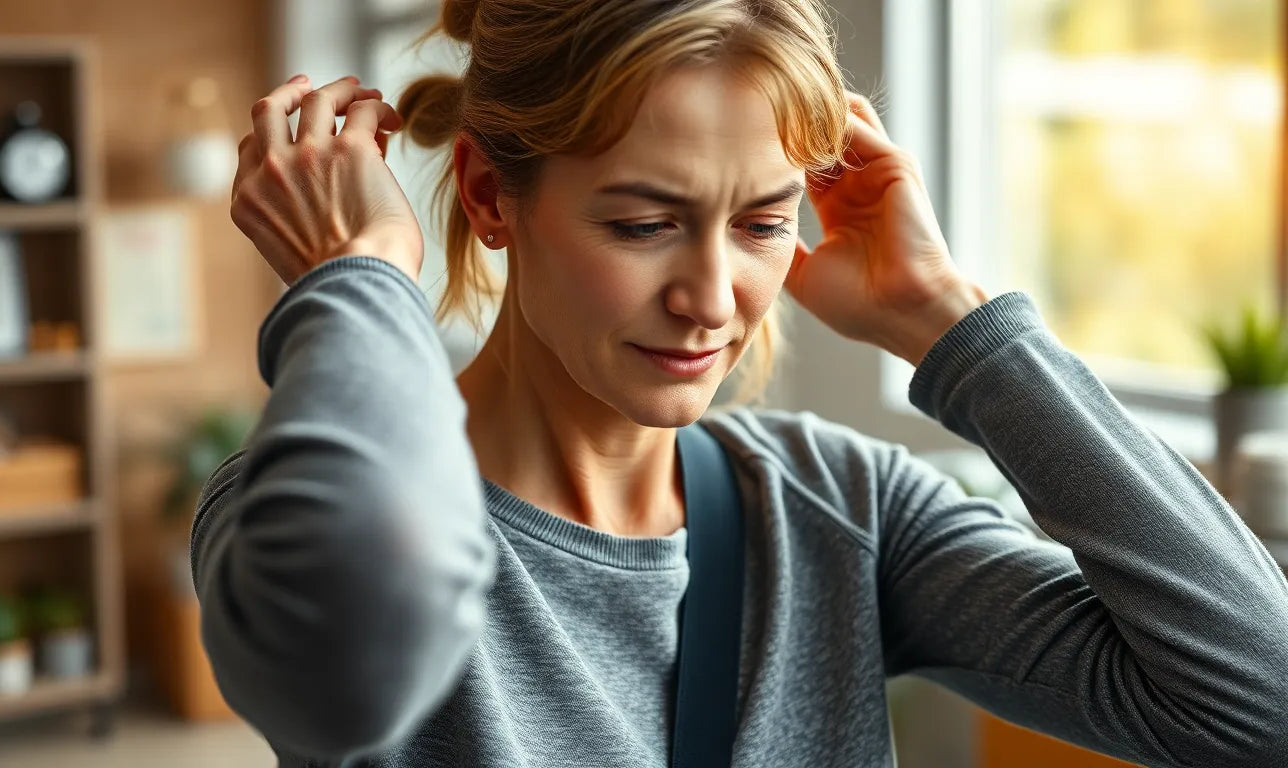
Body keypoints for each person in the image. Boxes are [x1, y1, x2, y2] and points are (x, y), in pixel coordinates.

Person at [194, 1, 1288, 766]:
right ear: (487, 195)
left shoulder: (841, 509)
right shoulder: (296, 506)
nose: (713, 296)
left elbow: (1259, 701)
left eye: (764, 220)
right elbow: (346, 669)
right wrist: (358, 279)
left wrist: (953, 322)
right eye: (644, 223)